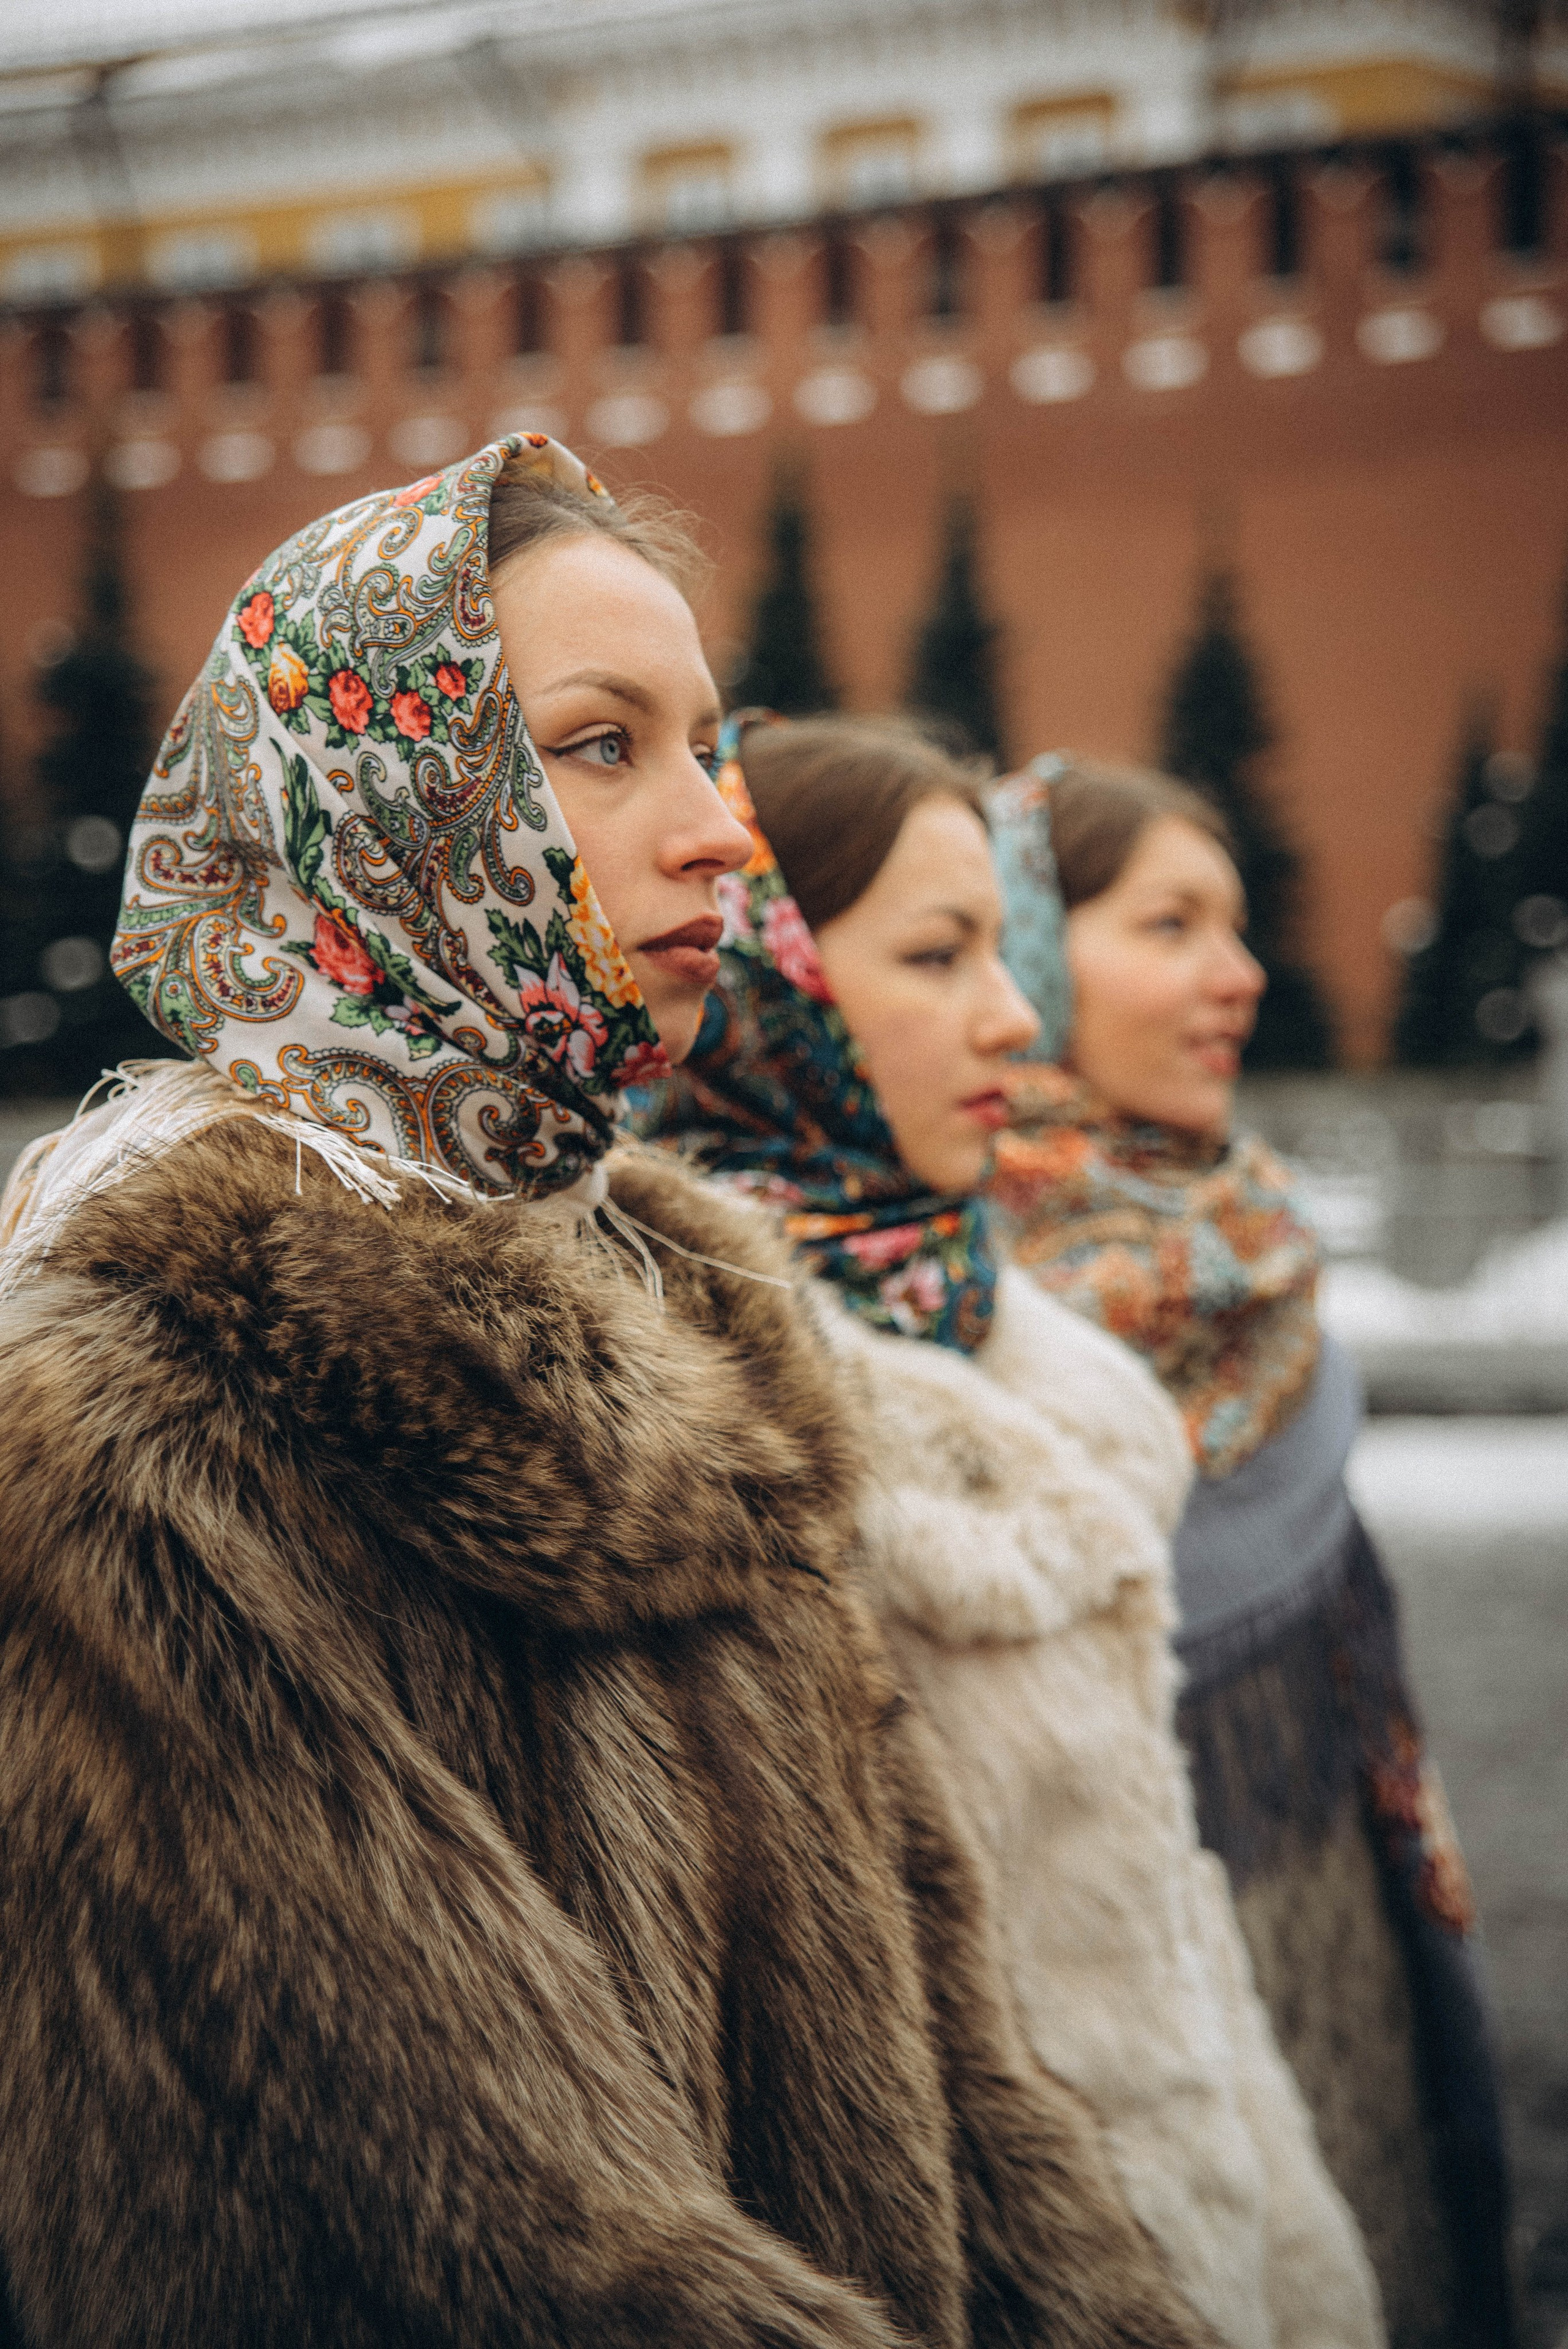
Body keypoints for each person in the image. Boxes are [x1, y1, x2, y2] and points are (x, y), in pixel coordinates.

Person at [0, 444, 1214, 2349]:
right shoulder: (152, 1416)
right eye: (600, 743)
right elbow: (527, 2236)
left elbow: (959, 2075)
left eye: (707, 743)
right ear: (391, 797)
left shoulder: (702, 1315)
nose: (721, 826)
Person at [634, 709, 1384, 2349]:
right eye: (936, 955)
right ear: (765, 991)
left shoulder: (1027, 1359)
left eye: (1003, 945)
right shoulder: (699, 1425)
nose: (1015, 1016)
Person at [985, 753, 1515, 2349]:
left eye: (1234, 925)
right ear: (1022, 957)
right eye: (1171, 924)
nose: (1242, 973)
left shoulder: (1264, 1268)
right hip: (1103, 2031)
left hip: (1341, 1950)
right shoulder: (947, 1327)